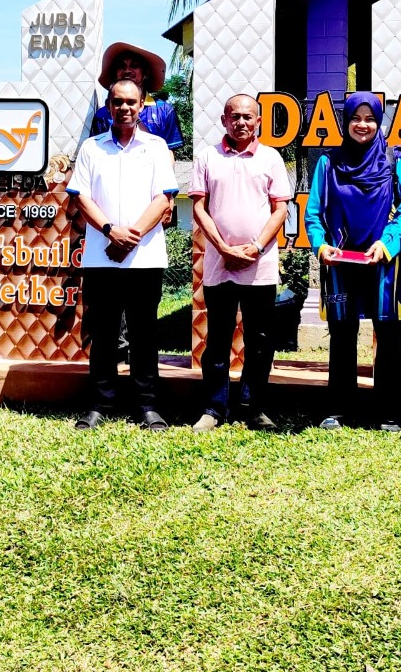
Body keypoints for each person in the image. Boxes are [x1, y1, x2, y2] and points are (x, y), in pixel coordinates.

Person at [304, 92, 401, 432]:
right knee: (342, 333)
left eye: (370, 119)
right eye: (356, 118)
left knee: (389, 333)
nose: (362, 125)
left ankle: (390, 412)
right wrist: (321, 246)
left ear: (379, 122)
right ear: (346, 121)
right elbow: (313, 212)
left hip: (385, 262)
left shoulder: (395, 160)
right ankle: (339, 409)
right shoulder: (329, 162)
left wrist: (387, 244)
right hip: (339, 263)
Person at [68, 78, 179, 430]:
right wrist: (109, 231)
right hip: (101, 256)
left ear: (142, 105)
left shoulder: (156, 147)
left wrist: (131, 237)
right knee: (102, 333)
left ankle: (147, 406)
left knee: (145, 333)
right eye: (117, 102)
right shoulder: (92, 148)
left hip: (145, 258)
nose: (124, 108)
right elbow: (81, 197)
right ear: (109, 106)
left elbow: (163, 198)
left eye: (131, 102)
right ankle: (100, 404)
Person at [189, 94, 292, 431]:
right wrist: (223, 248)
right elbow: (199, 207)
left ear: (258, 121)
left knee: (260, 341)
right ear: (224, 120)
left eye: (248, 117)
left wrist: (256, 248)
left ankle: (253, 408)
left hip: (259, 267)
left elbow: (280, 209)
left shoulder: (271, 158)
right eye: (235, 117)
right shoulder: (207, 157)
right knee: (217, 341)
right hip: (219, 266)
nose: (241, 123)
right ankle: (213, 409)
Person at [89, 42, 183, 150]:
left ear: (146, 72)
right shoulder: (102, 115)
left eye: (134, 66)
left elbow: (169, 153)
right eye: (121, 66)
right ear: (115, 73)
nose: (127, 70)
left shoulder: (164, 111)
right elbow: (95, 151)